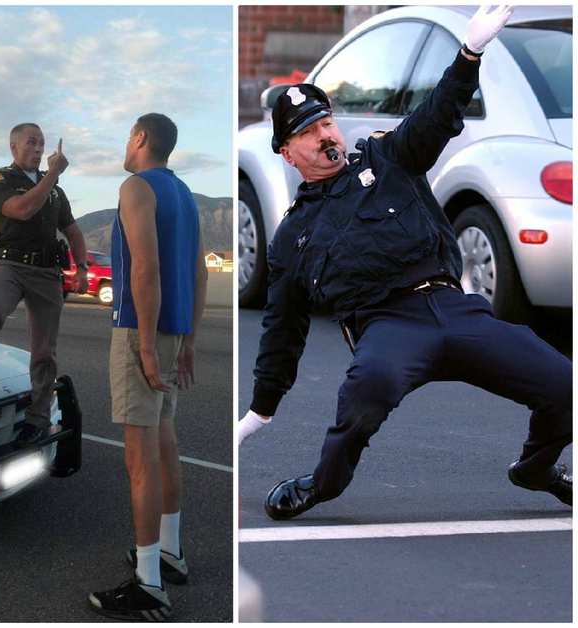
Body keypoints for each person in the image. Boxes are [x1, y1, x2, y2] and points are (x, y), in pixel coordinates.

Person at [239, 5, 571, 520]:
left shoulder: (388, 158)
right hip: (387, 325)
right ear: (288, 152)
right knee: (366, 388)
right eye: (308, 132)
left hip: (453, 307)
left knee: (562, 383)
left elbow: (436, 116)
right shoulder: (293, 236)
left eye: (327, 122)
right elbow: (283, 330)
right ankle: (321, 484)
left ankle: (535, 468)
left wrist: (469, 54)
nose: (325, 135)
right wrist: (260, 410)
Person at [88, 113, 207, 621]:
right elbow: (198, 269)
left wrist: (147, 346)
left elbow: (145, 269)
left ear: (140, 138)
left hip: (142, 329)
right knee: (164, 445)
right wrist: (188, 340)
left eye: (127, 135)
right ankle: (170, 553)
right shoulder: (183, 193)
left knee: (140, 462)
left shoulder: (136, 188)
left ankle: (148, 583)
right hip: (175, 328)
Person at [0, 123, 88, 447]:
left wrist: (81, 267)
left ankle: (37, 418)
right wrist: (53, 174)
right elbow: (22, 210)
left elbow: (74, 231)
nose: (39, 148)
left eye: (42, 143)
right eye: (31, 142)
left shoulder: (55, 191)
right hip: (10, 265)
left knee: (44, 351)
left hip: (47, 272)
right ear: (13, 147)